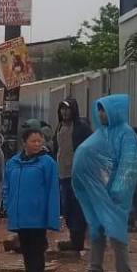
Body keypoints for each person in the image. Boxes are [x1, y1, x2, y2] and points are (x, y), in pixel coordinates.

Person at [72, 95, 137, 272]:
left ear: (115, 111)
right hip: (97, 193)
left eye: (105, 110)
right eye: (99, 110)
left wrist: (117, 193)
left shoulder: (126, 134)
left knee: (117, 236)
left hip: (114, 196)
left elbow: (128, 167)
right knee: (96, 232)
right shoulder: (102, 133)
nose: (101, 114)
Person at [3, 128, 61, 272]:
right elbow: (6, 187)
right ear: (24, 142)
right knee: (26, 251)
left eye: (39, 141)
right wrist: (7, 206)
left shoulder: (47, 163)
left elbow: (53, 190)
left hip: (38, 216)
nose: (37, 144)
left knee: (37, 250)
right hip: (20, 216)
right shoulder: (13, 162)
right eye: (33, 141)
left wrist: (52, 216)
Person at [51, 99, 92, 252]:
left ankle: (77, 240)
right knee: (66, 207)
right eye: (62, 109)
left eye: (67, 109)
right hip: (62, 174)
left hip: (78, 175)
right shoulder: (60, 127)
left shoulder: (82, 128)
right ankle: (73, 237)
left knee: (77, 207)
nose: (64, 112)